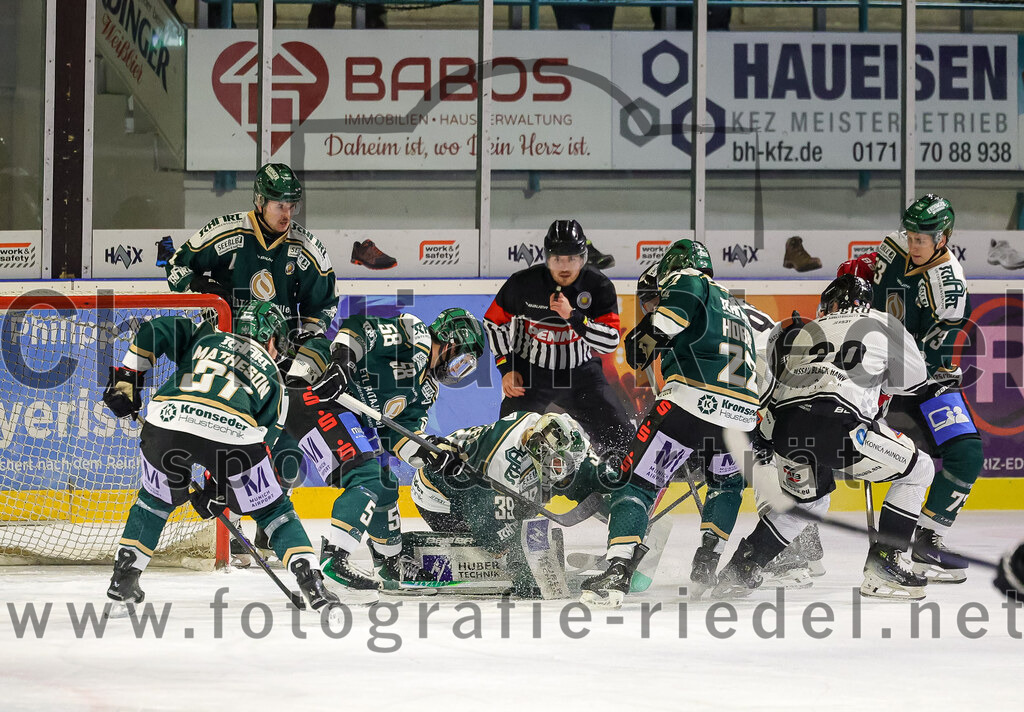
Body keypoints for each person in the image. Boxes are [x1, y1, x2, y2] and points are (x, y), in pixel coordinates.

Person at [101, 301, 342, 614]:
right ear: (272, 342)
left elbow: (153, 330)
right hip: (234, 437)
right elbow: (262, 447)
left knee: (153, 502)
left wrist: (127, 379)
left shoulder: (206, 337)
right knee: (274, 512)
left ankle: (123, 580)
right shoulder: (276, 382)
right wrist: (220, 490)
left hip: (168, 421)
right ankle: (311, 583)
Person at [713, 275, 936, 600]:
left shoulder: (803, 330)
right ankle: (885, 565)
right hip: (842, 427)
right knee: (921, 470)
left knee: (810, 502)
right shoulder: (882, 321)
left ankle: (742, 567)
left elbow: (773, 392)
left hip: (789, 430)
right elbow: (912, 382)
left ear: (827, 304)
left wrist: (763, 439)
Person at [161, 162, 338, 558]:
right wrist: (204, 289)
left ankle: (268, 523)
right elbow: (176, 271)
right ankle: (232, 511)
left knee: (286, 449)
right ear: (259, 202)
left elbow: (324, 305)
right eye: (279, 205)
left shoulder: (305, 249)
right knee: (229, 436)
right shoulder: (225, 233)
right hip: (224, 354)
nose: (287, 214)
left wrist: (300, 338)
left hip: (276, 357)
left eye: (292, 205)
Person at [580, 239, 760, 608]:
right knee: (726, 487)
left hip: (691, 404)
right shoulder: (738, 307)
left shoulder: (689, 280)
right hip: (741, 417)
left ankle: (617, 572)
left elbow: (659, 329)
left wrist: (639, 341)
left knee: (639, 482)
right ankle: (706, 563)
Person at [290, 307, 486, 591]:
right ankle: (335, 556)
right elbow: (361, 327)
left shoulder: (429, 390)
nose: (460, 369)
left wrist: (429, 451)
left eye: (467, 366)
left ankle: (390, 564)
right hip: (316, 388)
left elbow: (395, 434)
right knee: (367, 476)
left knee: (384, 483)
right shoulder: (415, 333)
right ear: (449, 339)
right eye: (462, 359)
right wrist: (342, 363)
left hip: (343, 413)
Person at [838, 194, 980, 583]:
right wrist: (853, 276)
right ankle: (799, 544)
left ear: (944, 238)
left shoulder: (948, 287)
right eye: (911, 235)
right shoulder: (893, 243)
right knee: (824, 429)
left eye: (923, 238)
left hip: (917, 375)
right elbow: (866, 274)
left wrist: (901, 382)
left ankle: (928, 541)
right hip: (868, 361)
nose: (914, 243)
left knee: (966, 452)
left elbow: (938, 360)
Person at [411, 411, 611, 596]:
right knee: (501, 547)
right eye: (557, 463)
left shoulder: (542, 428)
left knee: (535, 509)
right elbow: (483, 518)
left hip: (488, 484)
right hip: (441, 495)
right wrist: (509, 552)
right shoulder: (501, 464)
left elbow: (572, 448)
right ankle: (399, 555)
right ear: (539, 448)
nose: (560, 469)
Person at [483, 219, 632, 460]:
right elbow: (493, 322)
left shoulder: (599, 286)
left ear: (583, 258)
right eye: (557, 259)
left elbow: (610, 340)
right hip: (529, 374)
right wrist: (506, 368)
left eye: (572, 258)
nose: (564, 266)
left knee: (621, 436)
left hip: (581, 374)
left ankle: (617, 490)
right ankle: (511, 492)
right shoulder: (523, 284)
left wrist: (574, 317)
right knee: (508, 440)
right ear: (546, 258)